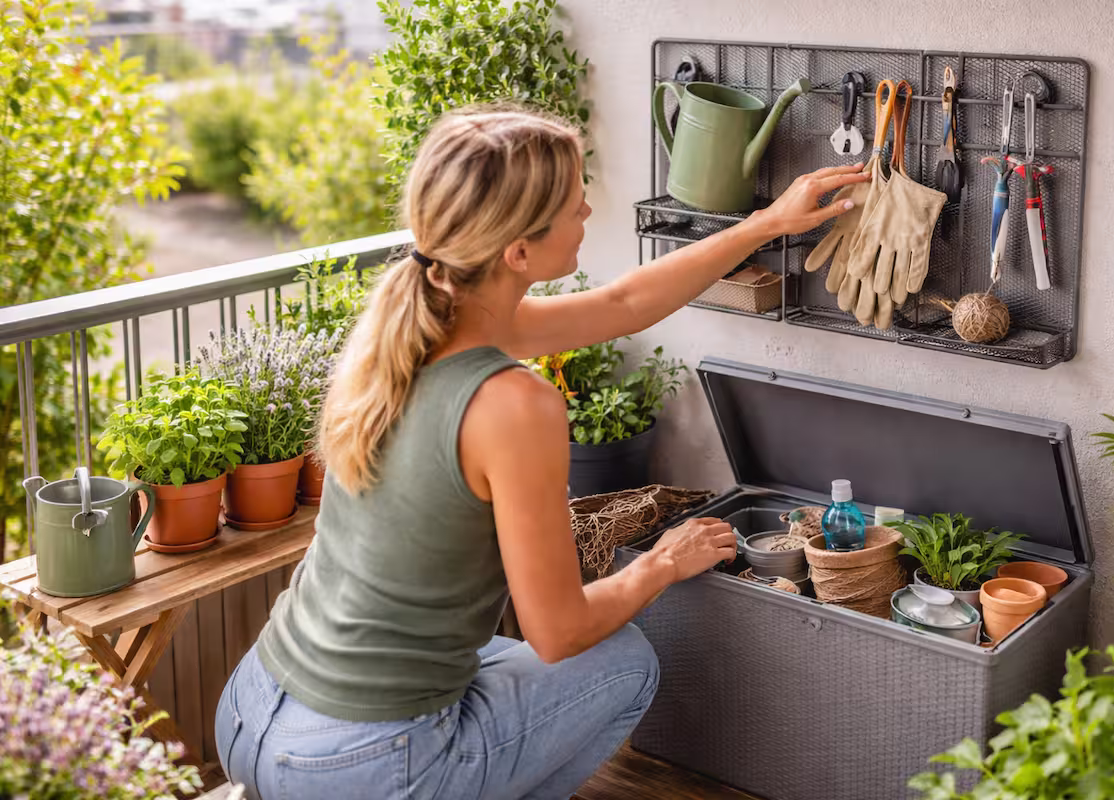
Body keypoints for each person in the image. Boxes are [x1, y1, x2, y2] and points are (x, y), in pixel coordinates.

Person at [214, 105, 868, 800]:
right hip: (359, 762)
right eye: (570, 201)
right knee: (623, 661)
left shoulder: (406, 330)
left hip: (255, 709)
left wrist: (766, 222)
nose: (587, 206)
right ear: (517, 253)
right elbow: (558, 632)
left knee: (498, 657)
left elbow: (621, 304)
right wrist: (662, 563)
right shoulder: (514, 405)